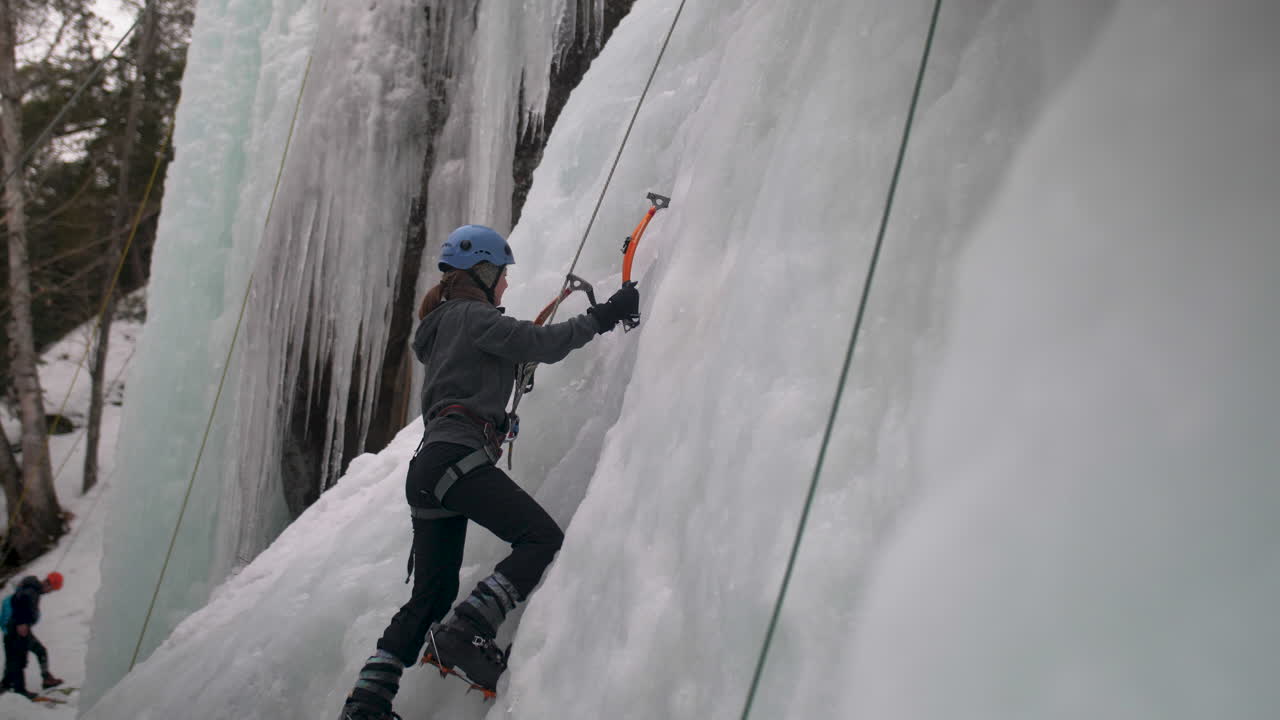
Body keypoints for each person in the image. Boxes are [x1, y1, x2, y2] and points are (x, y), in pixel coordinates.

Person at [340, 225, 639, 720]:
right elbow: (540, 341)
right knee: (540, 538)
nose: (504, 287)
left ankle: (367, 703)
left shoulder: (442, 328)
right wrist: (605, 315)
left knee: (432, 594)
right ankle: (468, 629)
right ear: (481, 272)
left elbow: (493, 362)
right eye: (501, 276)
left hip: (429, 470)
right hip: (457, 459)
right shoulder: (471, 317)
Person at [1, 572, 64, 699]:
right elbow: (18, 601)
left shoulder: (32, 588)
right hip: (16, 628)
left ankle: (7, 685)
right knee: (19, 659)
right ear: (48, 584)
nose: (50, 592)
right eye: (52, 589)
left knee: (16, 658)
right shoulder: (31, 590)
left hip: (16, 628)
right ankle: (19, 690)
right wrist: (21, 623)